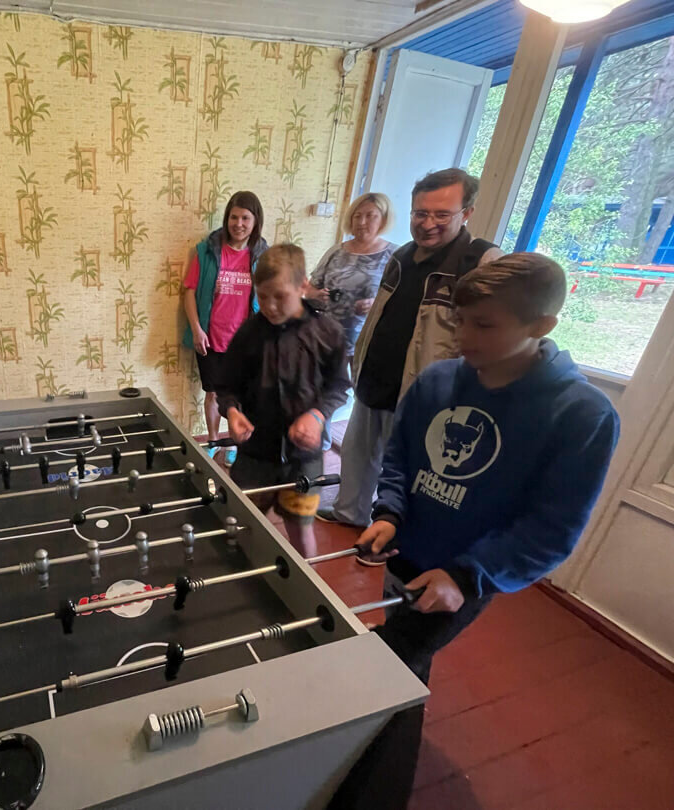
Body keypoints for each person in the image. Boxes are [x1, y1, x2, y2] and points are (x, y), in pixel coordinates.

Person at [328, 253, 619, 809]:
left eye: (484, 324)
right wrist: (389, 512)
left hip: (464, 578)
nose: (462, 336)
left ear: (541, 327)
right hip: (406, 554)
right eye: (461, 320)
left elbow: (551, 530)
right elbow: (401, 458)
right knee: (403, 661)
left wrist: (468, 575)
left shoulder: (582, 416)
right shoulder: (437, 380)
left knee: (387, 667)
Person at [318, 168, 503, 534]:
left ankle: (393, 534)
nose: (428, 223)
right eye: (421, 213)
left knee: (407, 471)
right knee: (358, 455)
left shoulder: (481, 263)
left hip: (426, 395)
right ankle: (349, 514)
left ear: (466, 212)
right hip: (376, 378)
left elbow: (495, 339)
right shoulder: (402, 255)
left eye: (441, 214)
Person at [216, 245, 350, 556]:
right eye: (262, 297)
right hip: (254, 457)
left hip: (303, 460)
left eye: (280, 296)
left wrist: (318, 415)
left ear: (303, 285)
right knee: (240, 526)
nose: (271, 306)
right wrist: (232, 411)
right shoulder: (249, 332)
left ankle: (308, 597)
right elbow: (227, 386)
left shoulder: (328, 332)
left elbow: (340, 384)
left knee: (301, 530)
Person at [182, 191, 269, 464]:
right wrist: (197, 329)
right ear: (226, 218)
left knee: (240, 396)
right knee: (213, 393)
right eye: (234, 217)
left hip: (245, 341)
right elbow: (189, 292)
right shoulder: (206, 251)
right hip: (211, 337)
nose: (239, 223)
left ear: (255, 222)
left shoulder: (262, 256)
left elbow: (270, 295)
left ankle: (232, 443)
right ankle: (212, 439)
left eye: (245, 217)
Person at [308, 192, 397, 364]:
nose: (362, 222)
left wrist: (376, 305)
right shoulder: (336, 251)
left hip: (369, 345)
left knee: (361, 390)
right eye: (358, 216)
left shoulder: (394, 256)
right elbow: (309, 289)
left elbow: (402, 303)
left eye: (370, 216)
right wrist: (316, 295)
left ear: (383, 219)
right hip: (327, 341)